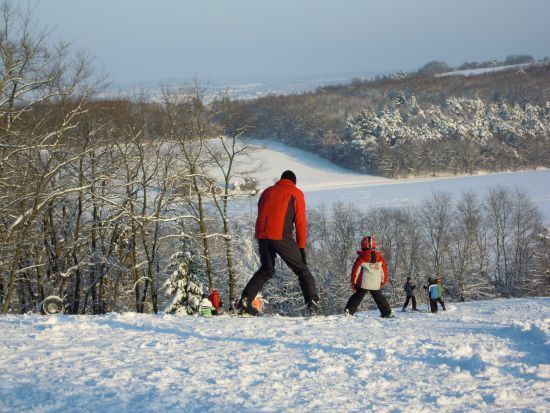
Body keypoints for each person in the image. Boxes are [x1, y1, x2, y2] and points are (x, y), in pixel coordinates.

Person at [236, 170, 320, 316]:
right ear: (293, 182)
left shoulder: (267, 191)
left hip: (262, 235)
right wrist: (301, 248)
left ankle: (245, 301)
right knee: (302, 270)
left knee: (266, 270)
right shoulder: (295, 193)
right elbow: (300, 223)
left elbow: (262, 209)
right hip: (281, 236)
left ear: (281, 179)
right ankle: (312, 305)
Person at [344, 236, 392, 317]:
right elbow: (384, 271)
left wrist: (353, 283)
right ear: (374, 245)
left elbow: (355, 272)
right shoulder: (380, 258)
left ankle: (349, 311)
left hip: (364, 283)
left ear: (363, 245)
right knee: (379, 298)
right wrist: (383, 282)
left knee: (357, 297)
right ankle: (387, 312)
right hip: (375, 283)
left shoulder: (361, 258)